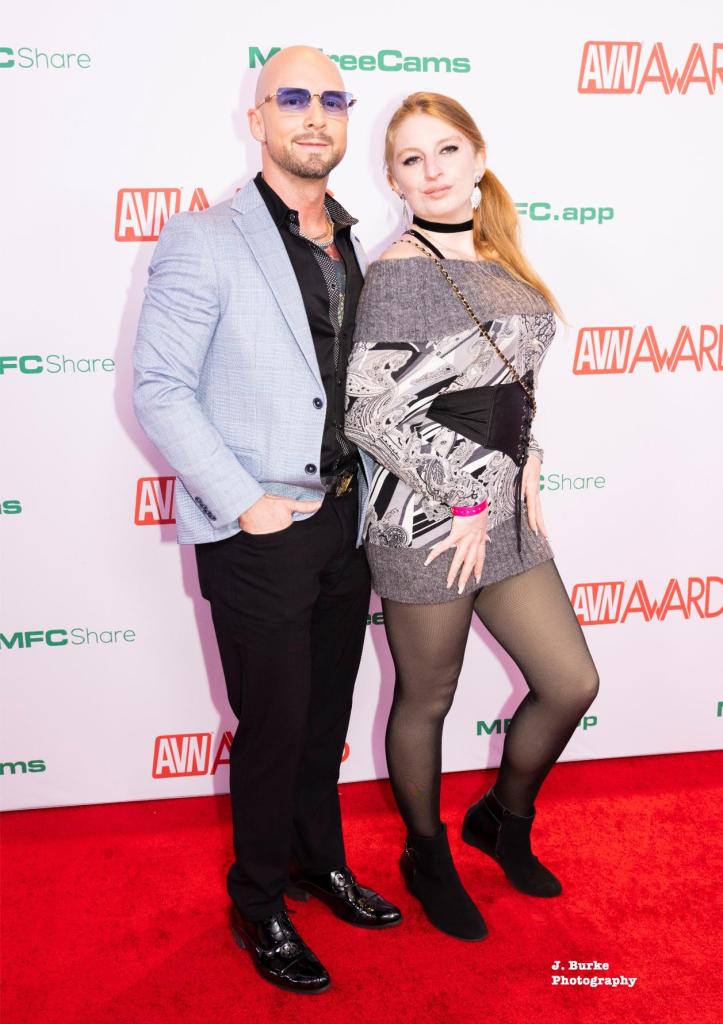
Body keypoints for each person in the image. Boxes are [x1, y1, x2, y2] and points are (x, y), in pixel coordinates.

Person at [133, 45, 401, 996]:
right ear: (258, 120)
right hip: (259, 532)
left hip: (345, 525)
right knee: (274, 726)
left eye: (332, 99)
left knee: (324, 718)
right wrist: (244, 503)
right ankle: (258, 901)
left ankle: (316, 863)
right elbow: (160, 388)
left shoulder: (359, 245)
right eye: (292, 98)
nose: (315, 115)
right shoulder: (204, 238)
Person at [344, 92, 600, 941]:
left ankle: (502, 819)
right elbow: (369, 411)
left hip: (500, 509)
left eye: (446, 150)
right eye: (411, 160)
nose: (432, 171)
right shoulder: (399, 270)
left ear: (477, 156)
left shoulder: (496, 250)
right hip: (425, 516)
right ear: (393, 179)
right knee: (428, 696)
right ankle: (425, 853)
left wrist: (530, 458)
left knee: (570, 682)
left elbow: (506, 380)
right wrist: (459, 492)